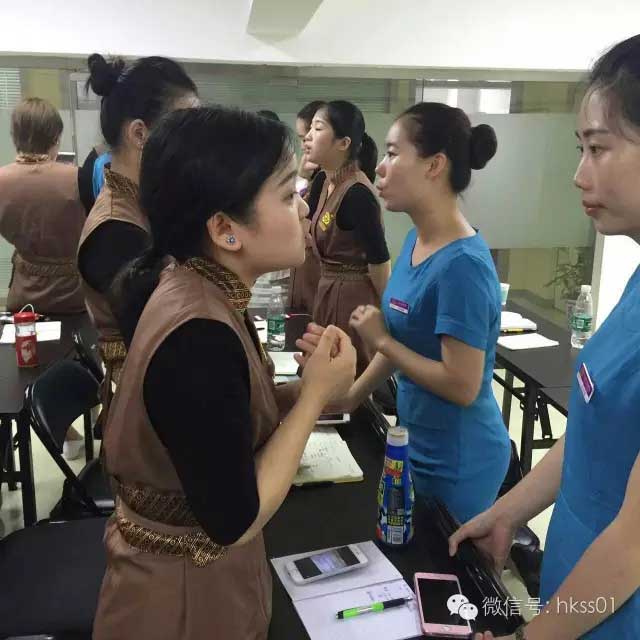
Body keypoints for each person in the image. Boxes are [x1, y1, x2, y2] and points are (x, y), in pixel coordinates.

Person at [92, 106, 356, 640]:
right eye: (287, 194)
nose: (303, 206)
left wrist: (307, 387)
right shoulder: (198, 335)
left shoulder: (202, 290)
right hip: (184, 602)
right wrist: (314, 397)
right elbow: (235, 519)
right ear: (225, 230)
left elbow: (226, 417)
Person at [450, 35, 640, 640]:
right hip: (574, 595)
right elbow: (592, 432)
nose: (578, 174)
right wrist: (509, 512)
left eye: (598, 148)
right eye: (581, 149)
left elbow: (632, 547)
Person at [297, 102, 511, 524]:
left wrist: (381, 340)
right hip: (413, 439)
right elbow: (401, 341)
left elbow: (463, 385)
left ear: (434, 165)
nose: (380, 167)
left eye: (394, 154)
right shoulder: (416, 239)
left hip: (458, 457)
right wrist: (349, 397)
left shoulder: (463, 266)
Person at [77, 53, 198, 412]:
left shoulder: (143, 204)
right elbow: (169, 338)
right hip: (146, 404)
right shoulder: (115, 229)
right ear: (140, 134)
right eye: (185, 129)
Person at [303, 100, 391, 373]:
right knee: (323, 366)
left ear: (343, 143)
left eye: (318, 129)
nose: (308, 136)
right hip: (326, 287)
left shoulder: (357, 193)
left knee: (346, 369)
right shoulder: (322, 181)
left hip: (353, 297)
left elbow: (379, 261)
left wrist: (388, 316)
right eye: (310, 129)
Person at [0, 98, 86, 314]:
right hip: (75, 296)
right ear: (55, 137)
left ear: (15, 136)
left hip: (24, 296)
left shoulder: (2, 180)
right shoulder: (79, 178)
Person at [288, 100, 326, 314]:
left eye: (306, 138)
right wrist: (302, 177)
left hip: (318, 278)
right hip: (302, 275)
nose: (304, 145)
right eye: (302, 139)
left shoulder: (331, 181)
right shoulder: (311, 176)